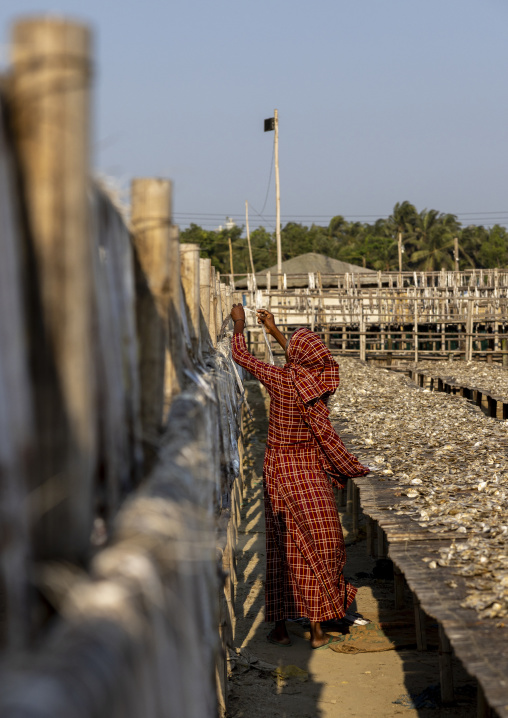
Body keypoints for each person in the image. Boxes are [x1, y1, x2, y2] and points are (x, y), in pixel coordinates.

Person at [230, 304, 370, 650]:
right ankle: (318, 628)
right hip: (309, 471)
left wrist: (239, 325)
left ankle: (280, 627)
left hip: (279, 469)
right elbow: (300, 361)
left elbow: (240, 355)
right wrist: (275, 330)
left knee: (281, 544)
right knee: (322, 543)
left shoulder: (279, 379)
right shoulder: (318, 384)